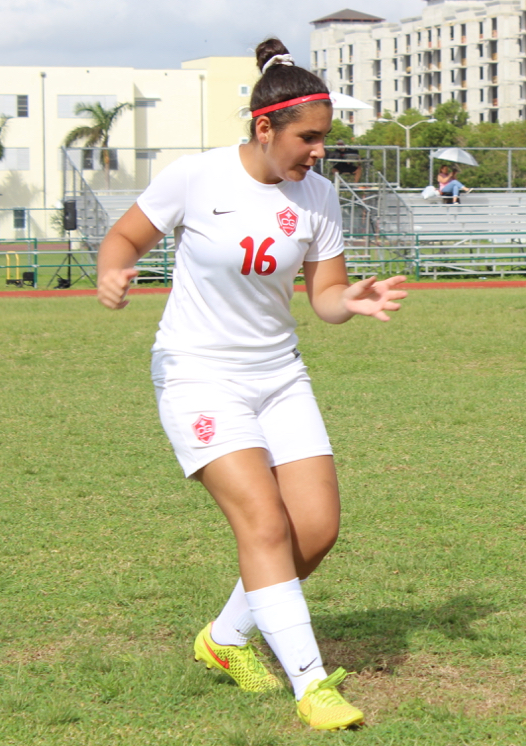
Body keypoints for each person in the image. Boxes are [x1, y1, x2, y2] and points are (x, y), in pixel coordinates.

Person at [95, 38, 407, 731]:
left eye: (324, 138)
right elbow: (123, 238)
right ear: (264, 127)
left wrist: (349, 299)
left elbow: (322, 294)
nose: (318, 152)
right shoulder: (195, 177)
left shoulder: (318, 195)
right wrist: (111, 271)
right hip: (197, 375)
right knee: (264, 524)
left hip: (279, 375)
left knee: (315, 531)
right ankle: (311, 683)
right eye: (308, 137)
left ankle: (223, 637)